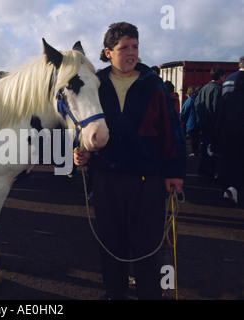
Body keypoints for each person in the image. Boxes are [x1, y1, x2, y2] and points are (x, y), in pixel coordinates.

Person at [73, 22, 186, 300]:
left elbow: (172, 131)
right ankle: (115, 291)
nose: (132, 53)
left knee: (147, 242)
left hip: (147, 178)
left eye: (135, 46)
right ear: (108, 52)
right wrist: (83, 150)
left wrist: (175, 172)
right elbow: (85, 127)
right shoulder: (96, 84)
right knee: (111, 241)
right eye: (124, 48)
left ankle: (149, 293)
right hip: (106, 177)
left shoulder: (153, 84)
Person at [211, 72, 244, 204]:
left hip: (227, 137)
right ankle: (234, 188)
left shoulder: (228, 97)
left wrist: (215, 141)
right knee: (239, 165)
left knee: (228, 163)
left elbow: (220, 120)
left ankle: (228, 190)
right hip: (242, 138)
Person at [194, 66, 226, 179]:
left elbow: (197, 105)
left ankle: (202, 169)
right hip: (213, 125)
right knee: (212, 150)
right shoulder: (217, 90)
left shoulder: (203, 89)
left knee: (204, 148)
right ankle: (210, 171)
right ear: (221, 76)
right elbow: (217, 109)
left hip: (203, 124)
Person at [180, 86, 200, 157]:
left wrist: (180, 119)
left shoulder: (190, 100)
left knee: (192, 138)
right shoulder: (199, 98)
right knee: (197, 138)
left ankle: (194, 152)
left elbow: (184, 111)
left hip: (191, 122)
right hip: (199, 122)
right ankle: (197, 150)